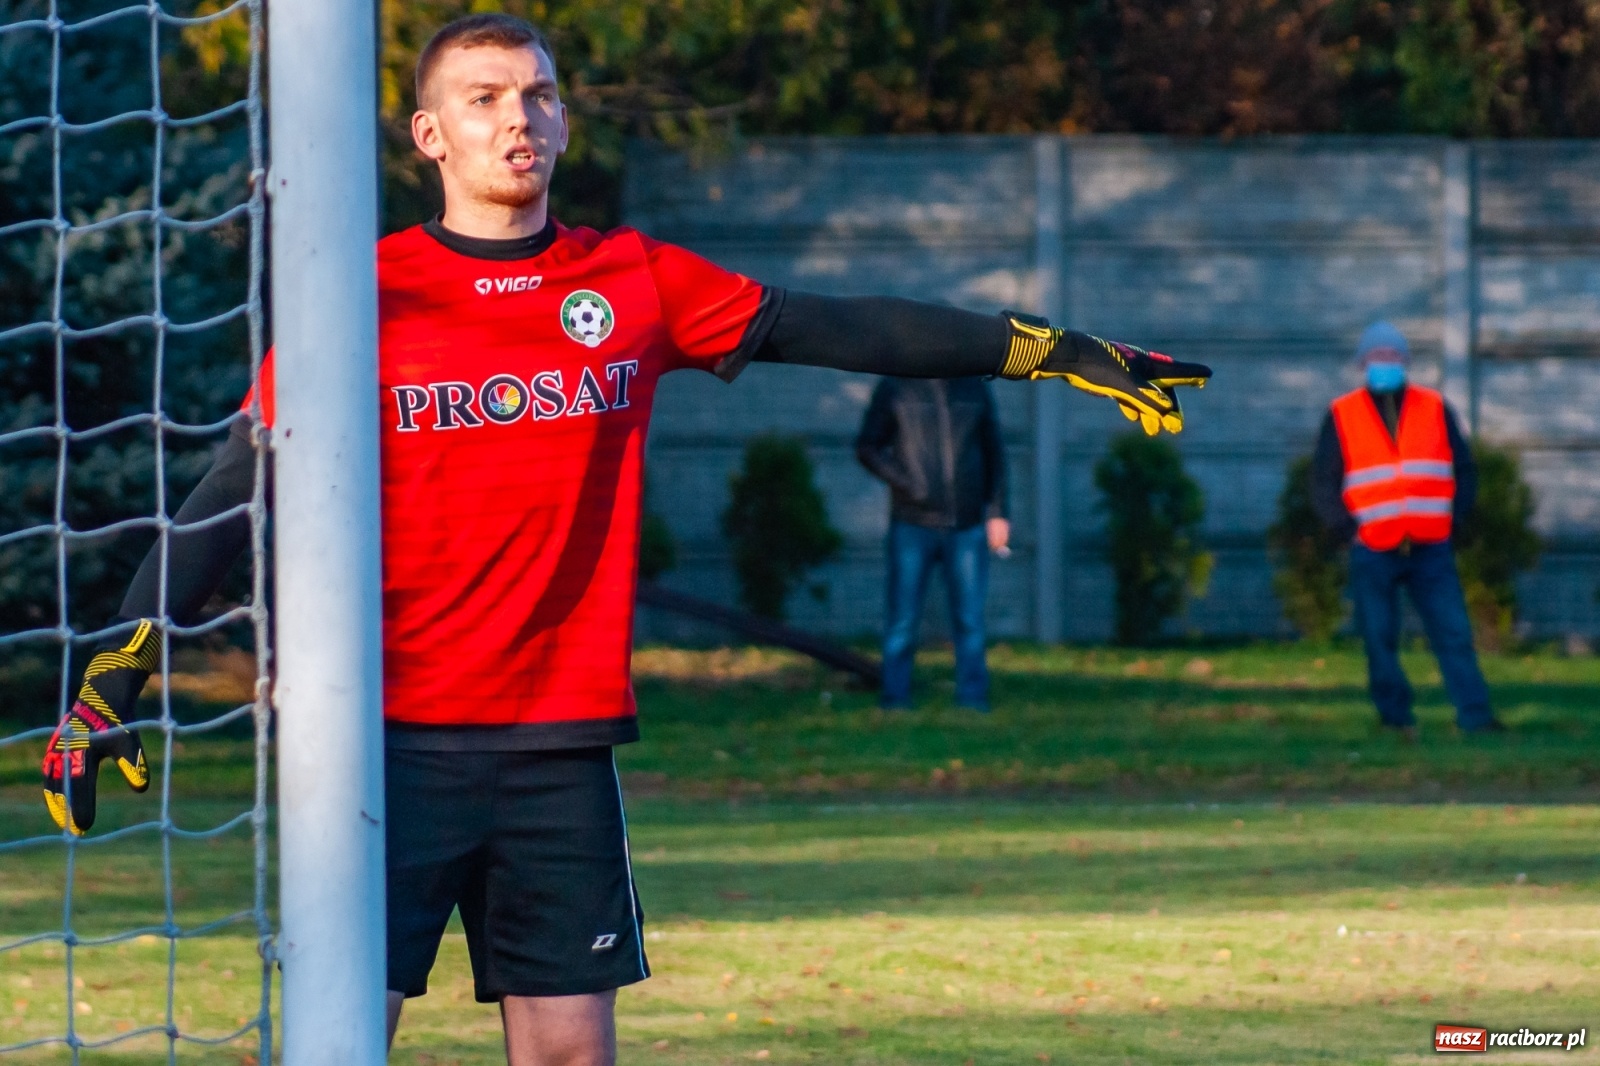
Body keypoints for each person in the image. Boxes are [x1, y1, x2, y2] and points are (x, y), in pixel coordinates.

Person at [38, 14, 1211, 1065]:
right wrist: (111, 676)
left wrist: (1051, 349)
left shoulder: (632, 280)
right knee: (342, 1041)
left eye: (538, 94)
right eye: (487, 97)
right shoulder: (364, 294)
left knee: (568, 1056)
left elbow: (840, 327)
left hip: (560, 746)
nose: (520, 118)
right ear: (428, 134)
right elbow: (235, 493)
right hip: (387, 750)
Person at [1310, 321, 1503, 737]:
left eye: (1393, 356)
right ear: (1363, 362)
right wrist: (1347, 531)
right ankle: (1395, 720)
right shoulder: (1343, 414)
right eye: (1378, 356)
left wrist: (1457, 519)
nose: (1386, 363)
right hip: (1373, 547)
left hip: (1430, 546)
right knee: (1379, 639)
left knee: (1454, 634)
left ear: (1406, 361)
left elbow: (1465, 469)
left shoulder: (1434, 408)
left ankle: (1476, 717)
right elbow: (1323, 481)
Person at [856, 376, 1008, 710]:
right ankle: (895, 698)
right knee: (903, 618)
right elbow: (867, 446)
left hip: (966, 525)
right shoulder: (897, 386)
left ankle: (972, 698)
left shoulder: (974, 387)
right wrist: (908, 484)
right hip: (912, 524)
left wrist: (997, 512)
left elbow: (994, 450)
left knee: (970, 619)